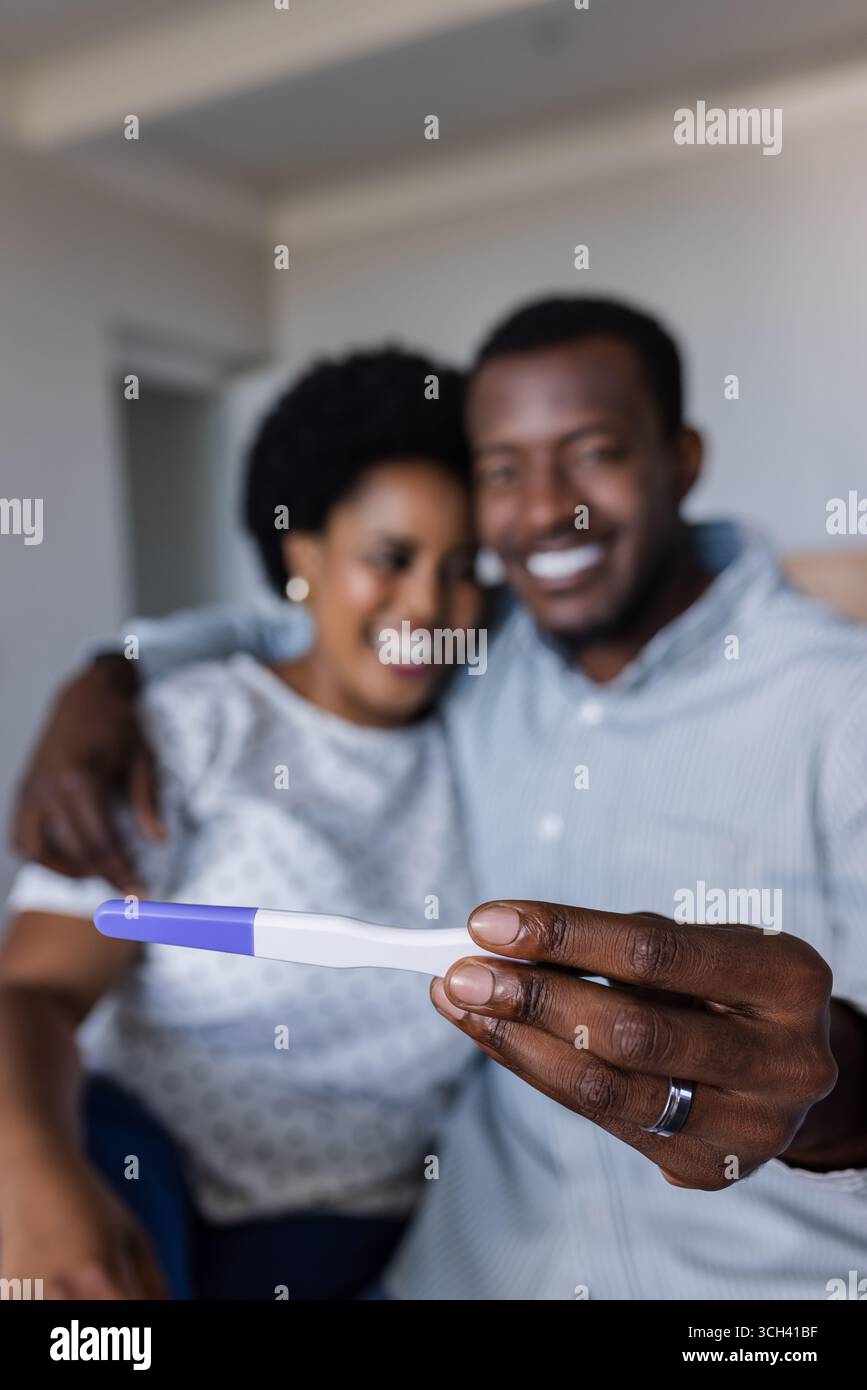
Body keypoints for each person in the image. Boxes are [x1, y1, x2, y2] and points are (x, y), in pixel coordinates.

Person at [10, 299, 867, 1300]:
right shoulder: (423, 679)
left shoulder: (795, 693)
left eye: (592, 452)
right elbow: (292, 632)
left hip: (706, 1290)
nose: (546, 511)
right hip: (317, 1238)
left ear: (680, 457)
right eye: (504, 469)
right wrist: (106, 673)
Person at [0, 347, 481, 1300]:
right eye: (389, 558)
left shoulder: (485, 744)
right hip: (134, 1189)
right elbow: (34, 994)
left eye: (464, 569)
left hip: (363, 1245)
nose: (427, 604)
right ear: (302, 554)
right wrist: (32, 1178)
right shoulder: (195, 728)